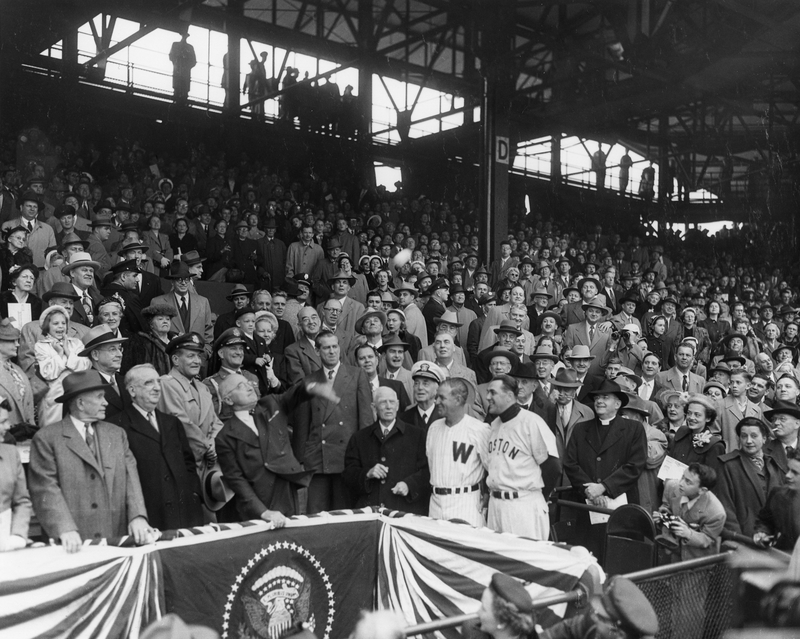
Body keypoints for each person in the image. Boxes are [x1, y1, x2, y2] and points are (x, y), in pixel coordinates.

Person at [28, 370, 154, 551]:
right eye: (100, 397)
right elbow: (44, 489)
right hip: (70, 544)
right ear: (80, 403)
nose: (106, 402)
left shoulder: (116, 434)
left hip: (114, 539)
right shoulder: (47, 438)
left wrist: (138, 517)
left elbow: (130, 478)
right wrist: (64, 528)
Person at [215, 373, 335, 522]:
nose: (249, 387)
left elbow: (295, 394)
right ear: (228, 399)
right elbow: (237, 481)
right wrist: (264, 512)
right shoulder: (224, 437)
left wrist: (311, 385)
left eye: (248, 383)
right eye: (240, 386)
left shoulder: (270, 405)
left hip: (286, 494)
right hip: (257, 505)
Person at [107, 364, 204, 531]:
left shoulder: (171, 422)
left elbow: (188, 463)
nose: (157, 388)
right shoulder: (117, 426)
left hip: (184, 512)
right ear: (132, 391)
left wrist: (193, 493)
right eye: (148, 383)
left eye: (158, 382)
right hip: (149, 514)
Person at [563, 379, 647, 557]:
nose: (599, 401)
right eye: (597, 398)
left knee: (619, 558)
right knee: (588, 557)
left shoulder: (634, 429)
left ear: (617, 404)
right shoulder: (580, 429)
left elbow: (635, 465)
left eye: (605, 397)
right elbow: (570, 463)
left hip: (621, 507)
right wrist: (590, 490)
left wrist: (604, 488)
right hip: (587, 506)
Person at [293, 331, 372, 513]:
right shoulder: (309, 381)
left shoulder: (357, 375)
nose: (331, 351)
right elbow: (302, 427)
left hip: (346, 459)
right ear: (318, 350)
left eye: (335, 346)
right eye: (326, 347)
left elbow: (366, 419)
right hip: (317, 460)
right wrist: (299, 462)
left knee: (343, 514)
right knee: (317, 515)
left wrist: (365, 458)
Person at [484, 374, 555, 539]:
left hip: (523, 504)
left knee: (526, 560)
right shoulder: (494, 425)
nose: (488, 397)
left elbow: (552, 466)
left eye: (492, 393)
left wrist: (538, 495)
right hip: (496, 505)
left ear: (509, 396)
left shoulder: (531, 421)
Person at [343, 386, 430, 514]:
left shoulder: (417, 435)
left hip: (404, 511)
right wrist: (367, 474)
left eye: (392, 402)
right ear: (374, 407)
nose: (388, 406)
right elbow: (348, 475)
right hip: (371, 513)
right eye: (383, 402)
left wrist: (409, 485)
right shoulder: (359, 438)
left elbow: (427, 471)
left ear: (398, 405)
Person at [425, 378, 489, 526]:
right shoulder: (434, 427)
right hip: (435, 502)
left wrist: (486, 495)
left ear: (458, 399)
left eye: (442, 398)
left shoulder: (479, 429)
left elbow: (491, 468)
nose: (436, 402)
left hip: (465, 501)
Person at [158, 333, 223, 477]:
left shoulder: (202, 387)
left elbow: (216, 423)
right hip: (182, 464)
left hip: (207, 465)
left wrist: (214, 444)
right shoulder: (166, 384)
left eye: (198, 356)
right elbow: (181, 424)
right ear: (175, 359)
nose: (197, 361)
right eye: (190, 356)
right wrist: (207, 448)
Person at [716, 416, 783, 538]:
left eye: (754, 436)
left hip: (773, 539)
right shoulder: (728, 465)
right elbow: (725, 508)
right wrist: (738, 539)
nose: (748, 441)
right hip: (745, 537)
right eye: (744, 436)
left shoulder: (774, 465)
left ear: (764, 439)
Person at [539, 575, 658, 639]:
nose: (593, 617)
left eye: (601, 619)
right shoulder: (593, 622)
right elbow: (568, 628)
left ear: (619, 635)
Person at [655, 463, 726, 562]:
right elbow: (667, 507)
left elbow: (708, 539)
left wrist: (688, 533)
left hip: (696, 561)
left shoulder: (716, 512)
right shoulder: (672, 487)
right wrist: (662, 515)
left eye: (688, 482)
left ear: (702, 490)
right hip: (672, 555)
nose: (681, 483)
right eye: (682, 477)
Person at [35, 305, 91, 428]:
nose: (60, 326)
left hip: (76, 394)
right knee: (54, 433)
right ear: (47, 326)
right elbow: (48, 373)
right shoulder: (41, 346)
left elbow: (85, 367)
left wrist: (67, 351)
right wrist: (59, 355)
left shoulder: (76, 343)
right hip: (53, 398)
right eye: (55, 323)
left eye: (63, 323)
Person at [151, 260, 214, 362]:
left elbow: (208, 332)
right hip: (169, 360)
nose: (183, 283)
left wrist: (206, 353)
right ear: (172, 281)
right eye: (179, 279)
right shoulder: (158, 302)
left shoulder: (203, 302)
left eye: (186, 279)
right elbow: (153, 333)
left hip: (198, 359)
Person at [461, 573, 538, 639]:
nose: (478, 612)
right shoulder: (472, 627)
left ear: (502, 623)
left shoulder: (526, 629)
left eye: (484, 609)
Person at [78, 324, 129, 421]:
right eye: (113, 349)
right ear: (95, 355)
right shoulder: (86, 385)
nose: (120, 354)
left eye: (120, 348)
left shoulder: (125, 381)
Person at [0, 397, 32, 551]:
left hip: (7, 542)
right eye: (2, 422)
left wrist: (18, 535)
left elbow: (22, 501)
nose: (8, 426)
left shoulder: (10, 453)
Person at [754, 448, 800, 551]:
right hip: (782, 560)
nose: (787, 475)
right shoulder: (778, 495)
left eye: (795, 473)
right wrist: (762, 532)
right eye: (788, 469)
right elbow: (765, 521)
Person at [122, 303, 179, 375]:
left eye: (167, 319)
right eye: (160, 319)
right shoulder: (142, 343)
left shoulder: (177, 342)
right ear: (151, 324)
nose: (165, 321)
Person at [400, 360, 446, 430]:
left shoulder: (445, 417)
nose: (420, 387)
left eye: (425, 384)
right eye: (416, 383)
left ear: (437, 389)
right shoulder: (404, 418)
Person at [169, 32, 196, 105]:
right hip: (178, 69)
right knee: (177, 87)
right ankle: (177, 97)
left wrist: (186, 64)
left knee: (184, 88)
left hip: (185, 71)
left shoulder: (190, 47)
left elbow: (193, 61)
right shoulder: (175, 45)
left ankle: (182, 98)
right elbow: (171, 56)